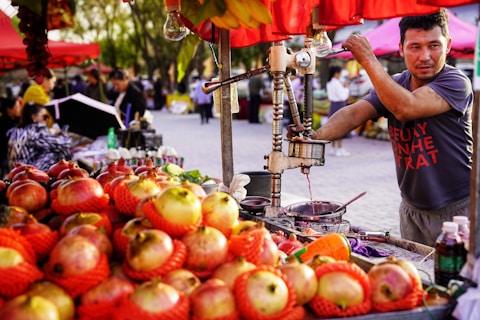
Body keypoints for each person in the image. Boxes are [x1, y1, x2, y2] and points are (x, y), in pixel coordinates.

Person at [288, 9, 473, 247]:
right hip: (412, 209)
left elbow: (407, 106)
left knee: (458, 279)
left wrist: (368, 59)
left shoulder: (456, 82)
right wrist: (314, 136)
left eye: (434, 45)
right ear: (401, 48)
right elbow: (354, 112)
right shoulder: (394, 84)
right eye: (415, 47)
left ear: (448, 45)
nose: (425, 56)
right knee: (419, 275)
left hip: (458, 210)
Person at [7, 102, 72, 172]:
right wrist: (64, 134)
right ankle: (68, 172)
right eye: (45, 117)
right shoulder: (36, 129)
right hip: (27, 172)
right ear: (33, 117)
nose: (47, 120)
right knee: (59, 152)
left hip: (14, 170)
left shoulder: (17, 130)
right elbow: (62, 144)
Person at [326, 65, 351, 157]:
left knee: (334, 127)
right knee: (341, 127)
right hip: (339, 105)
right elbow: (343, 96)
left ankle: (333, 148)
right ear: (336, 73)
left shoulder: (329, 82)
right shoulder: (336, 83)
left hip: (333, 105)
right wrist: (346, 88)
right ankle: (340, 149)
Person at [0, 96, 23, 177]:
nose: (19, 108)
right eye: (17, 106)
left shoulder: (16, 120)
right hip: (5, 158)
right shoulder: (4, 123)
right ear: (9, 109)